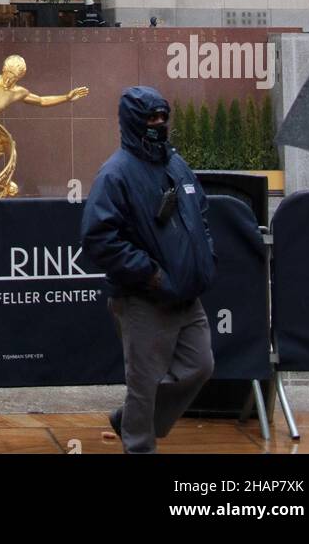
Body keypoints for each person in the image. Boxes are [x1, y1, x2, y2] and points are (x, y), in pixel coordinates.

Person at [80, 86, 216, 455]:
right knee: (145, 383)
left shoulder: (177, 164)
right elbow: (98, 237)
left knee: (200, 367)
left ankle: (130, 421)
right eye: (150, 118)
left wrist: (205, 255)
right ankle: (139, 444)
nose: (158, 124)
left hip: (188, 295)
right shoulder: (115, 174)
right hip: (143, 298)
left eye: (162, 117)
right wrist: (149, 274)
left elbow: (200, 214)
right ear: (133, 122)